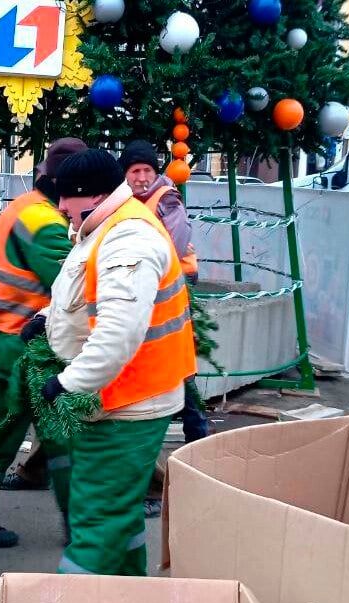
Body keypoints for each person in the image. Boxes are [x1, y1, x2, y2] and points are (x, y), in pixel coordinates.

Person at [43, 149, 196, 576]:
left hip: (129, 402)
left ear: (89, 196)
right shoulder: (104, 226)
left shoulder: (129, 238)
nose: (60, 208)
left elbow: (118, 333)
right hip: (126, 396)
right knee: (119, 517)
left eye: (65, 199)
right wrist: (45, 321)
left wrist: (68, 383)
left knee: (96, 522)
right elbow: (86, 290)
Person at [0, 138, 87, 547]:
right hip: (8, 340)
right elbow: (71, 289)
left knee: (33, 429)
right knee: (19, 431)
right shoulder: (46, 226)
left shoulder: (28, 206)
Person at [119, 139, 208, 518]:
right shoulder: (129, 202)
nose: (141, 178)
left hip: (169, 290)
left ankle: (196, 454)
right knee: (173, 371)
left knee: (170, 368)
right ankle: (198, 449)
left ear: (155, 173)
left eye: (146, 171)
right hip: (151, 289)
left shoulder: (166, 200)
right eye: (135, 171)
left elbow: (173, 243)